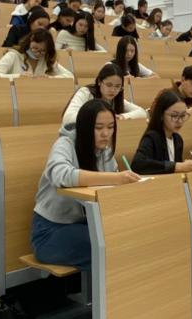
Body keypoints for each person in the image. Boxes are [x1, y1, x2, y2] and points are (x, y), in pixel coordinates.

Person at [32, 100, 141, 271]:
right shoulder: (65, 144)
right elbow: (61, 174)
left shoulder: (105, 151)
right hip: (50, 231)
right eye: (98, 128)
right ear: (85, 127)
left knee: (128, 236)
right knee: (108, 245)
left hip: (86, 225)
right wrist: (115, 178)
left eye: (111, 127)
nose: (106, 133)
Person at [131, 90, 192, 175]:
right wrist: (177, 166)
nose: (180, 121)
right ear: (161, 115)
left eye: (183, 115)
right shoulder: (152, 137)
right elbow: (137, 164)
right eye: (174, 116)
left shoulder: (178, 139)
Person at [62, 64, 147, 126]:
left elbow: (142, 113)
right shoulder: (86, 92)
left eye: (117, 86)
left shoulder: (116, 99)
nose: (113, 90)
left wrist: (121, 117)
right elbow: (68, 117)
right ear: (99, 82)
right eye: (109, 85)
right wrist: (101, 118)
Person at [0, 29, 73, 78]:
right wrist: (18, 76)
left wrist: (49, 78)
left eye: (43, 51)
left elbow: (70, 76)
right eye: (35, 48)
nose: (37, 53)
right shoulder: (13, 55)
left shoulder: (46, 59)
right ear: (28, 42)